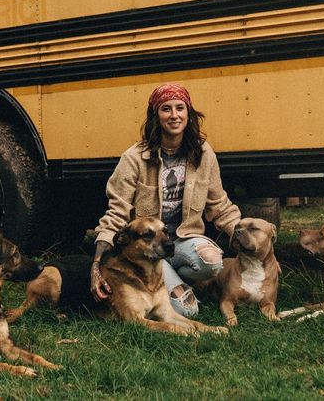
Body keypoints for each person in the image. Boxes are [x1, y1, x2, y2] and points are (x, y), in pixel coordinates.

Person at [90, 83, 241, 316]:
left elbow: (219, 205)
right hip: (147, 248)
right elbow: (116, 213)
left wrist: (255, 244)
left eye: (180, 108)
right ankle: (176, 285)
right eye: (166, 109)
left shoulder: (203, 153)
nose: (174, 115)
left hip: (181, 239)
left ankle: (177, 279)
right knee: (187, 311)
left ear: (188, 113)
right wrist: (96, 265)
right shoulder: (134, 158)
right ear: (155, 116)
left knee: (212, 261)